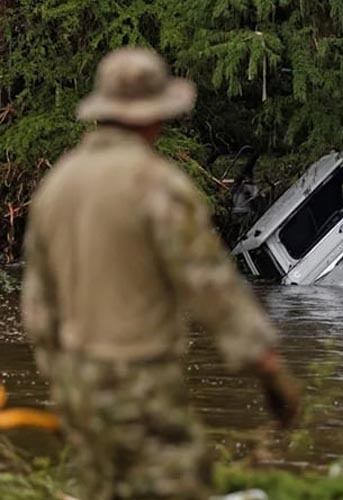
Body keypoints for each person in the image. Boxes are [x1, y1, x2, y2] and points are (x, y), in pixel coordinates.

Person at [20, 47, 300, 499]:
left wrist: (61, 372)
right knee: (178, 487)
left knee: (106, 489)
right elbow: (209, 283)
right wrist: (266, 364)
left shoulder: (58, 185)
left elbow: (36, 303)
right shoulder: (156, 184)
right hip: (140, 381)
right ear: (155, 117)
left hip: (75, 381)